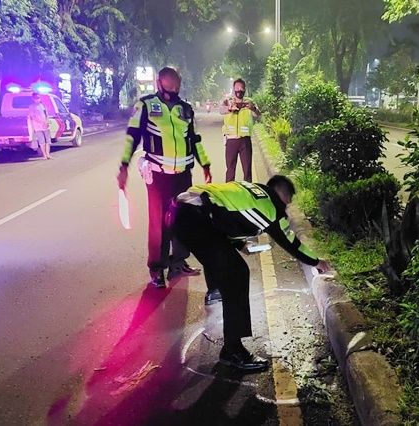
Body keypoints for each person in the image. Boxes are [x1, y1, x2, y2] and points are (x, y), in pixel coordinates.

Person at [168, 175, 331, 371]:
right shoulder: (271, 206)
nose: (285, 209)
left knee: (223, 259)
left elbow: (224, 217)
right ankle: (233, 352)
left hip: (182, 210)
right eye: (287, 202)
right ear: (281, 194)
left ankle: (215, 294)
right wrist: (317, 262)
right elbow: (290, 242)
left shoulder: (249, 190)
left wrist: (240, 243)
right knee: (237, 273)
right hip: (195, 218)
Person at [117, 67, 212, 289]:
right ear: (159, 84)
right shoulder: (146, 105)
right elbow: (132, 137)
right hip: (158, 176)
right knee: (159, 225)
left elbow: (194, 139)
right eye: (169, 87)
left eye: (176, 86)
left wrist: (205, 164)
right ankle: (157, 269)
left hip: (182, 175)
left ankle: (178, 262)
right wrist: (124, 166)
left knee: (182, 220)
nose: (173, 90)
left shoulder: (185, 109)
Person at [219, 78, 260, 182]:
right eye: (237, 88)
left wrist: (253, 109)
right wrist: (230, 108)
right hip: (231, 140)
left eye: (241, 88)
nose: (239, 90)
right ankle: (229, 192)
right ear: (233, 89)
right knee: (230, 170)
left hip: (245, 140)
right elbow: (221, 110)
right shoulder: (227, 101)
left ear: (245, 89)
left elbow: (258, 115)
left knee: (247, 171)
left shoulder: (249, 103)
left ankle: (248, 193)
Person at [28, 92, 51, 160]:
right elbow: (33, 117)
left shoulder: (43, 105)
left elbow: (46, 114)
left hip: (45, 126)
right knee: (42, 141)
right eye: (36, 98)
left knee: (48, 141)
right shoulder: (31, 107)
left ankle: (48, 154)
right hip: (38, 127)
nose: (37, 99)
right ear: (33, 99)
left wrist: (46, 122)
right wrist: (42, 122)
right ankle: (44, 155)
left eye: (38, 97)